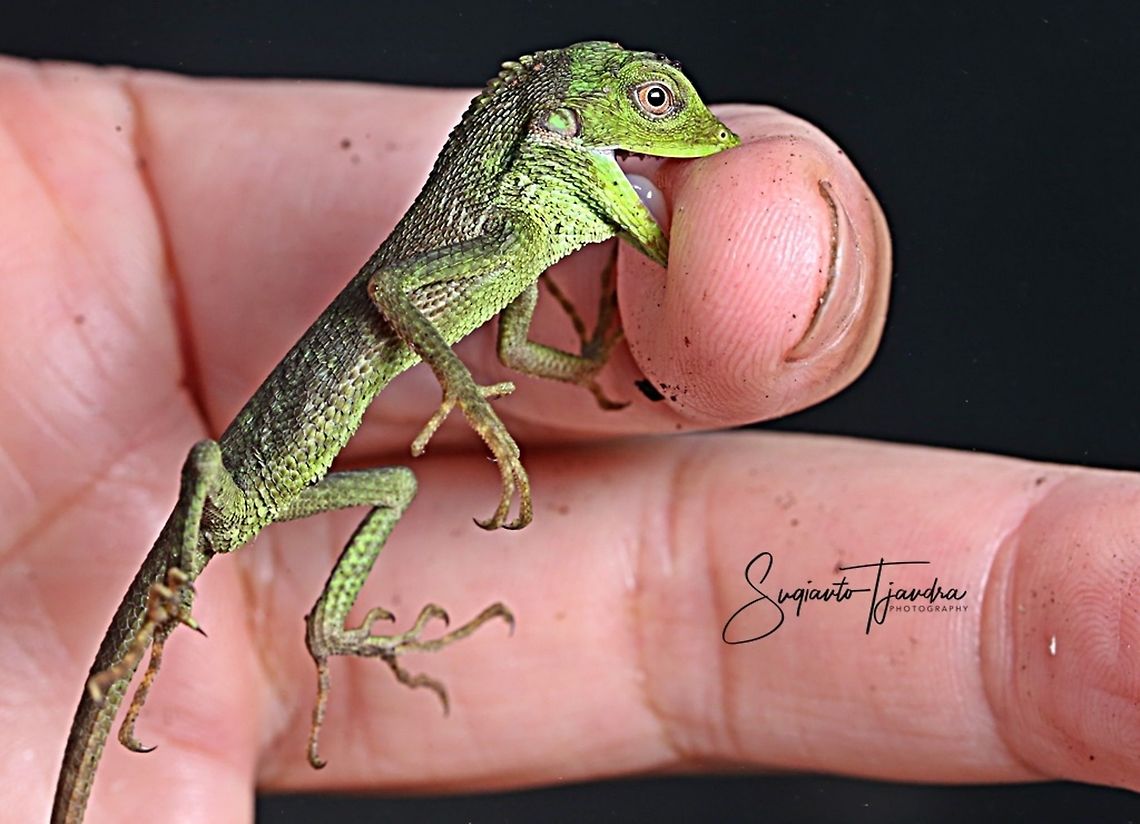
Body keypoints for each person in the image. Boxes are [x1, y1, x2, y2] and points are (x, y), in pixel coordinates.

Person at [3, 56, 1133, 822]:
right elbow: (397, 295)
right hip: (246, 463)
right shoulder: (487, 226)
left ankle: (330, 620)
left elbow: (526, 352)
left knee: (388, 493)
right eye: (643, 104)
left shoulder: (513, 241)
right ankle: (190, 636)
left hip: (302, 461)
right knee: (134, 645)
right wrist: (477, 410)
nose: (671, 132)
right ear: (565, 123)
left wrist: (588, 350)